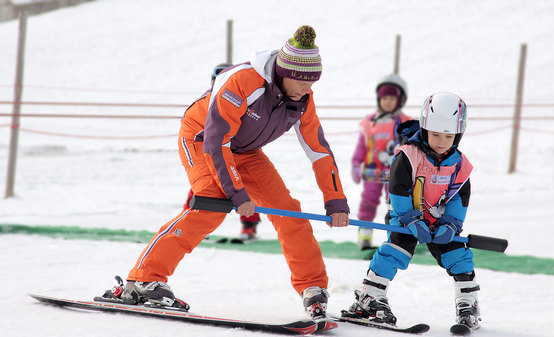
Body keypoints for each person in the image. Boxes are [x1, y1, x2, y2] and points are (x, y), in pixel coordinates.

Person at [121, 25, 350, 320]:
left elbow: (318, 150)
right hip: (202, 139)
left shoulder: (303, 98)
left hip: (246, 151)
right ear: (283, 71)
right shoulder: (243, 81)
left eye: (312, 82)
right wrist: (236, 193)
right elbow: (217, 141)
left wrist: (335, 201)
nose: (307, 88)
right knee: (212, 205)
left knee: (289, 211)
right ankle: (143, 280)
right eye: (302, 81)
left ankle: (313, 288)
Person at [342, 92, 481, 331]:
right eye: (435, 134)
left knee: (458, 256)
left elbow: (459, 197)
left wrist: (451, 223)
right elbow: (398, 189)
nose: (441, 141)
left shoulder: (459, 164)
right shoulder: (408, 155)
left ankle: (469, 305)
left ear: (458, 135)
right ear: (425, 129)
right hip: (404, 216)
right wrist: (409, 218)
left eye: (448, 136)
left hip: (439, 221)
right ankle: (369, 298)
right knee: (396, 250)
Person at [182, 62, 262, 240]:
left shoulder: (240, 97)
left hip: (235, 149)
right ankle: (191, 220)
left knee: (244, 187)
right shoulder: (208, 101)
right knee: (203, 185)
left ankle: (249, 226)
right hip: (213, 150)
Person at [351, 74, 411, 249]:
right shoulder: (370, 122)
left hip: (395, 173)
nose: (387, 102)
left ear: (399, 100)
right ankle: (365, 234)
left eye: (392, 98)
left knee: (394, 203)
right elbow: (362, 146)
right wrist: (356, 163)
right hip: (372, 172)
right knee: (368, 201)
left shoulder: (404, 122)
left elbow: (411, 146)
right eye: (384, 98)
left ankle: (395, 237)